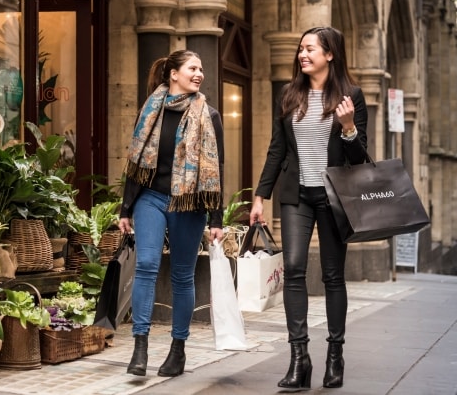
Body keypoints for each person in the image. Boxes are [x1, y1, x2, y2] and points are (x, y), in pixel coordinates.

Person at [249, 26, 368, 390]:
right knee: (295, 269)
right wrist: (260, 196)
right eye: (301, 49)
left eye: (310, 49)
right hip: (297, 194)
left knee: (333, 275)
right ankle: (299, 358)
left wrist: (348, 128)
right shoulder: (289, 95)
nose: (302, 54)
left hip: (334, 198)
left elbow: (360, 158)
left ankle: (335, 354)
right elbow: (277, 150)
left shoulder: (351, 95)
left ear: (330, 54)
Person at [117, 49, 225, 377]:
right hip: (150, 198)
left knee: (181, 275)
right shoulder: (151, 111)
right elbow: (135, 161)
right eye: (193, 68)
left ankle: (178, 350)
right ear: (173, 74)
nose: (199, 74)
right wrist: (126, 208)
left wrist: (217, 219)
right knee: (147, 265)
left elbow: (216, 169)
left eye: (201, 69)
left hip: (189, 203)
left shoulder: (210, 116)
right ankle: (140, 347)